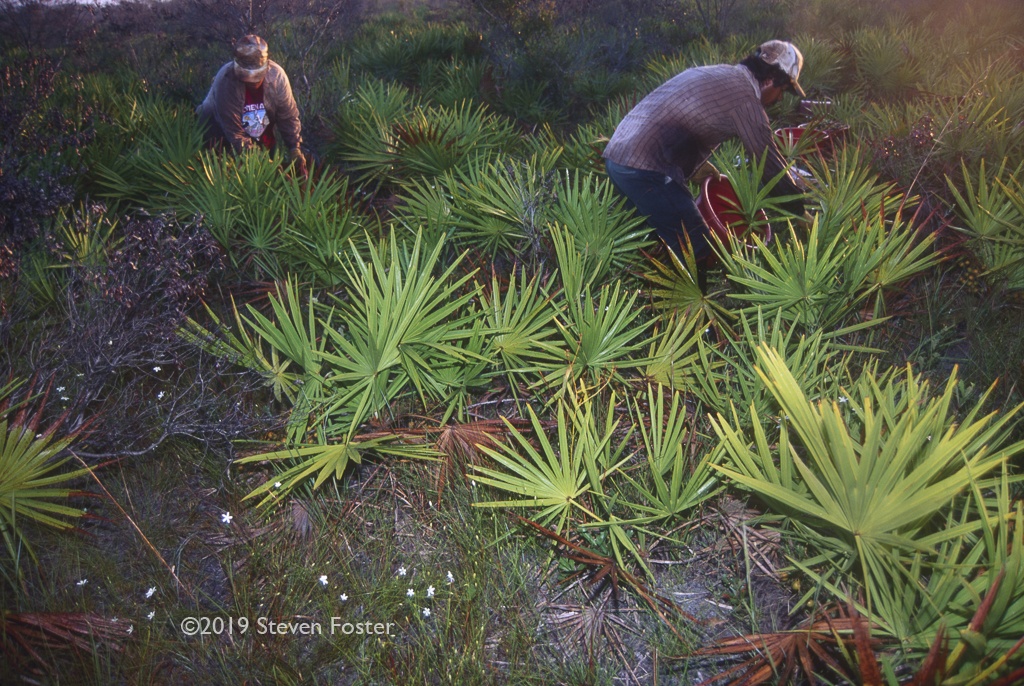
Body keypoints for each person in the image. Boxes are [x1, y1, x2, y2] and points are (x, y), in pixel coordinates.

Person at [603, 40, 807, 286]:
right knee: (697, 247)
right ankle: (694, 317)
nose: (777, 99)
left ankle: (651, 301)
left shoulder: (719, 73)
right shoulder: (746, 100)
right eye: (783, 91)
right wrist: (798, 208)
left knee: (659, 241)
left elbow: (680, 117)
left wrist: (697, 167)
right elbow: (768, 162)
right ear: (773, 80)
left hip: (618, 157)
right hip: (646, 168)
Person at [197, 34, 307, 177]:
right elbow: (235, 134)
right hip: (219, 135)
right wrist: (263, 163)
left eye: (256, 76)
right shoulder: (226, 81)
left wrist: (294, 147)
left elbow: (288, 116)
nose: (252, 81)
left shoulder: (277, 77)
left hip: (258, 128)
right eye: (246, 77)